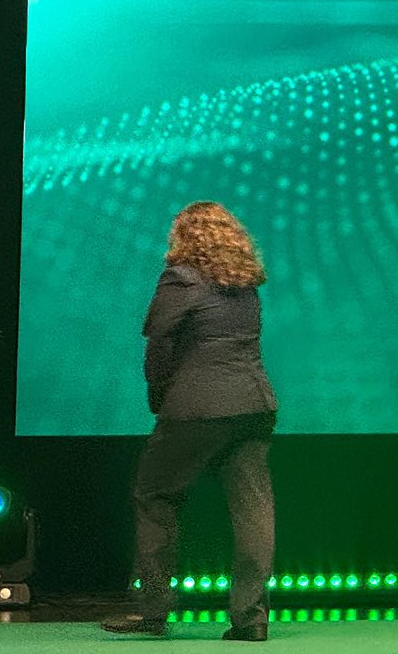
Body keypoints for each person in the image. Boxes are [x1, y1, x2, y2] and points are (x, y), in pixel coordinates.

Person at [103, 202, 278, 642]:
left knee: (154, 496)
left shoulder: (180, 279)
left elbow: (159, 348)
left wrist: (159, 398)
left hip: (197, 408)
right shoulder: (246, 285)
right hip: (254, 406)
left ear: (184, 236)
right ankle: (251, 618)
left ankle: (152, 610)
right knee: (253, 509)